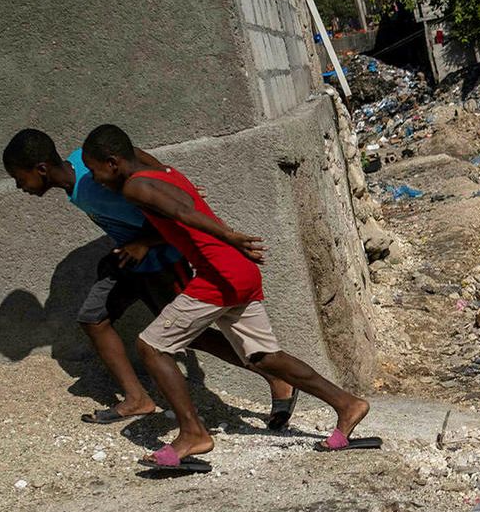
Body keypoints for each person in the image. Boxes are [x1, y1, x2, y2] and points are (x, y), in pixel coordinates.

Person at [80, 124, 373, 470]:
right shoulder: (162, 171)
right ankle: (347, 404)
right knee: (264, 357)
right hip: (238, 271)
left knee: (151, 346)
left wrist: (231, 236)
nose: (95, 180)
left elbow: (184, 213)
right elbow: (175, 195)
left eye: (95, 170)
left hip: (218, 274)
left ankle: (193, 434)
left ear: (114, 163)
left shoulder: (134, 187)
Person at [3, 129, 298, 430]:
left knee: (194, 334)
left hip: (163, 260)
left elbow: (169, 213)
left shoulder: (96, 175)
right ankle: (137, 399)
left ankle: (274, 375)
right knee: (93, 317)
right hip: (130, 261)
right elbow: (142, 159)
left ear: (40, 169)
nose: (19, 186)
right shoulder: (85, 163)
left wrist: (167, 202)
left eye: (19, 178)